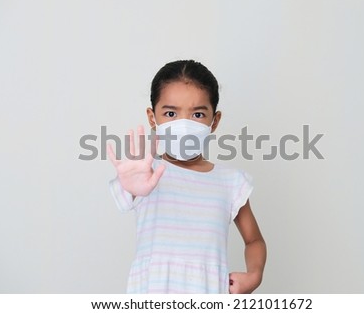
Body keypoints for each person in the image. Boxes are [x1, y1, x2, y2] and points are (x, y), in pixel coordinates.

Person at [108, 60, 266, 293]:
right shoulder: (144, 172)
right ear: (153, 118)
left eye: (198, 114)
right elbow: (128, 192)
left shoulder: (232, 183)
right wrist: (131, 187)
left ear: (215, 121)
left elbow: (254, 241)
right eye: (171, 113)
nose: (183, 124)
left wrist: (254, 275)